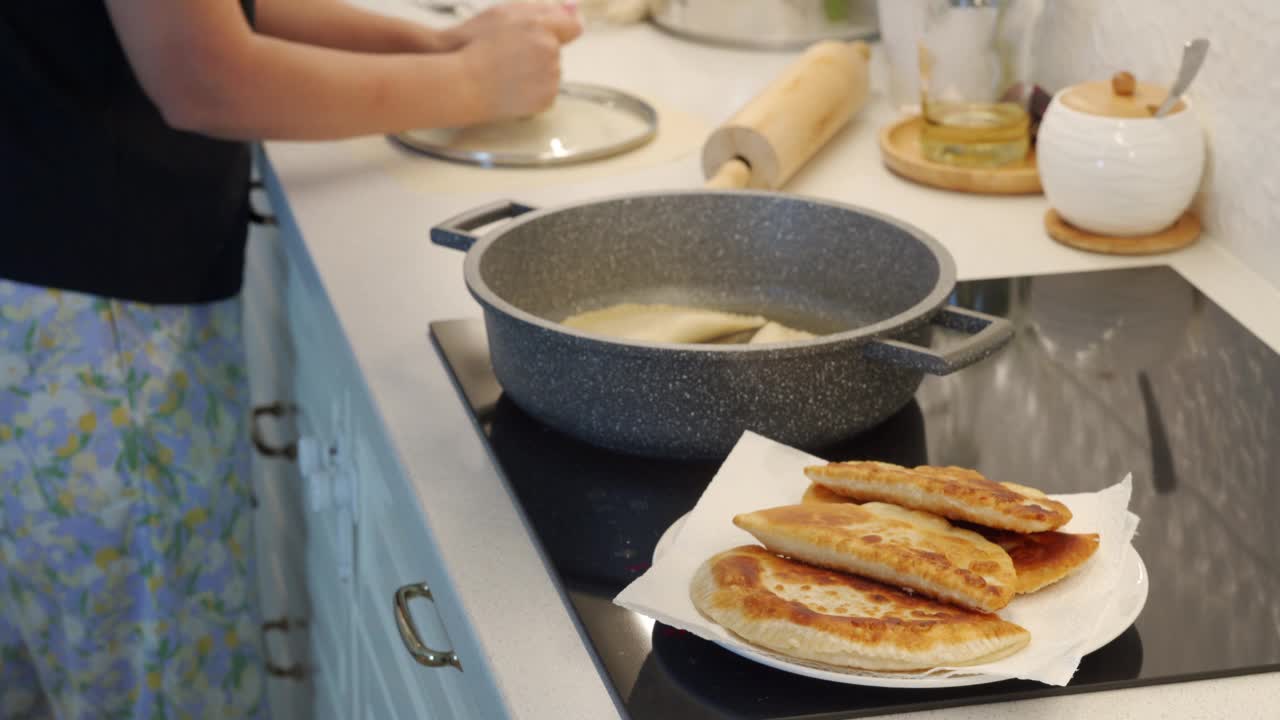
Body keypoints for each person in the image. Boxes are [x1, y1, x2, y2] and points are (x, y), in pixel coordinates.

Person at [0, 1, 581, 717]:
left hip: (54, 300)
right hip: (92, 340)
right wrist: (472, 80)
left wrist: (434, 48)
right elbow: (203, 78)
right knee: (158, 680)